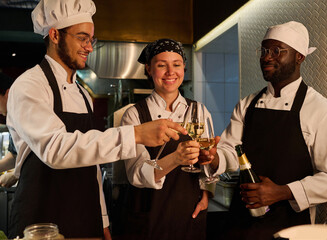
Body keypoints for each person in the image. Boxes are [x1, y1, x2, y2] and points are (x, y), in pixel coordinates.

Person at [6, 1, 187, 239]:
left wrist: (102, 219)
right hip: (42, 220)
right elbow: (55, 149)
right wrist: (136, 134)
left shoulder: (82, 93)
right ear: (54, 35)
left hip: (84, 215)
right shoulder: (30, 85)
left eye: (91, 39)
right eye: (82, 38)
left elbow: (92, 165)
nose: (89, 47)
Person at [203, 21, 327, 240]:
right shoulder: (247, 104)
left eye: (276, 51)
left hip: (291, 227)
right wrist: (213, 158)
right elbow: (230, 151)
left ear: (299, 56)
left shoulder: (320, 109)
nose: (266, 57)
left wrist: (282, 192)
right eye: (263, 50)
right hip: (240, 223)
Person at [119, 39, 218, 240]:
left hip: (189, 213)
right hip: (149, 215)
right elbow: (136, 174)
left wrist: (206, 194)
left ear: (184, 68)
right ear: (149, 69)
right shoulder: (134, 115)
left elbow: (206, 168)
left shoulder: (199, 110)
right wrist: (176, 158)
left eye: (177, 64)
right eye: (162, 65)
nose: (170, 72)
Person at [0, 72, 18, 188]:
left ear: (8, 93)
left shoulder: (27, 113)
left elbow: (42, 153)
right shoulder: (12, 117)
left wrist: (16, 174)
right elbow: (15, 154)